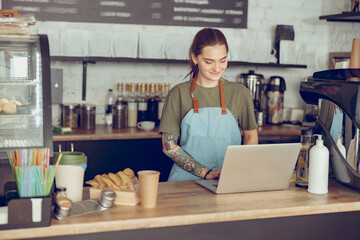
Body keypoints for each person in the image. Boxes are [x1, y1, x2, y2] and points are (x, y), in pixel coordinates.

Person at [159, 28, 258, 182]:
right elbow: (169, 146)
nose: (217, 68)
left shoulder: (240, 93)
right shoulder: (178, 93)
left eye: (223, 60)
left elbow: (251, 135)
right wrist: (206, 173)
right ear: (195, 57)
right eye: (209, 62)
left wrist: (239, 169)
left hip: (228, 178)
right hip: (185, 181)